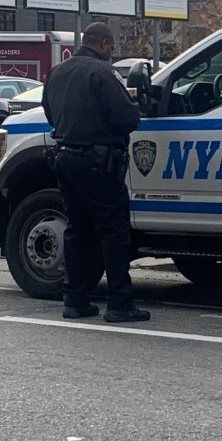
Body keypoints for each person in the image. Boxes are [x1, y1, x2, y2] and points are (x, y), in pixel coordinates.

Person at [42, 22, 148, 323]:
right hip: (98, 161)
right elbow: (126, 118)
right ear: (104, 43)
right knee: (113, 232)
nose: (111, 53)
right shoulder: (102, 72)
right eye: (111, 47)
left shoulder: (57, 72)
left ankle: (75, 301)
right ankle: (120, 304)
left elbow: (49, 112)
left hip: (66, 158)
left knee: (77, 230)